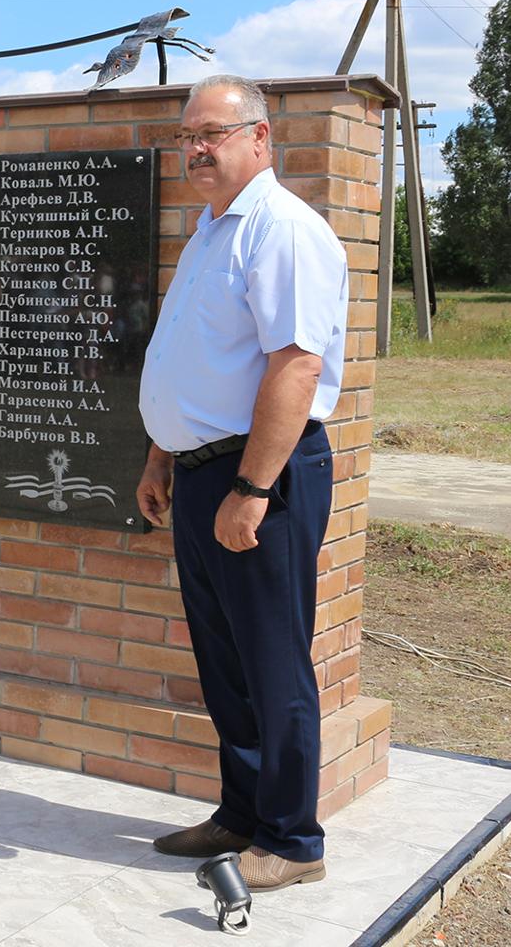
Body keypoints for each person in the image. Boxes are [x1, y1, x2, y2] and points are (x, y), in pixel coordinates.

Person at [136, 75, 348, 892]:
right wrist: (161, 455)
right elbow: (191, 359)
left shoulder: (283, 230)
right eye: (187, 134)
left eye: (213, 134)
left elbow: (296, 364)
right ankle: (241, 813)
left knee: (270, 660)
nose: (195, 148)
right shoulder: (209, 231)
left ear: (260, 139)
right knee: (224, 660)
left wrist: (253, 489)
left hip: (262, 473)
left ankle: (294, 841)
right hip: (200, 471)